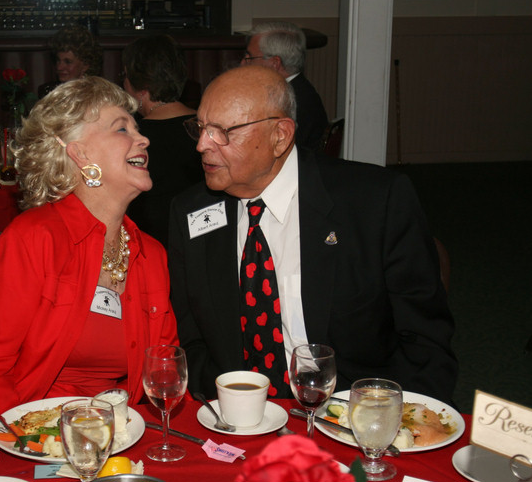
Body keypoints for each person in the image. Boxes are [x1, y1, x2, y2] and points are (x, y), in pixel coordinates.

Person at [0, 76, 179, 435]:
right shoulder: (34, 239)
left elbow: (164, 366)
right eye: (121, 128)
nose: (143, 139)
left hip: (100, 429)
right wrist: (15, 442)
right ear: (80, 153)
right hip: (7, 421)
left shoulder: (150, 254)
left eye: (137, 128)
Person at [168, 65, 457, 404]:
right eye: (201, 128)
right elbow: (189, 338)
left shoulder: (375, 203)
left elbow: (425, 341)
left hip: (352, 408)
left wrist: (388, 419)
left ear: (280, 135)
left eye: (222, 132)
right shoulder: (190, 212)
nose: (202, 145)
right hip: (239, 412)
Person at [121, 34, 203, 247]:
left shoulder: (133, 139)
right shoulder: (208, 129)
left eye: (125, 76)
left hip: (150, 248)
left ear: (141, 88)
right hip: (204, 241)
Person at [243, 21, 329, 150]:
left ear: (275, 63)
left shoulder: (290, 102)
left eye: (249, 58)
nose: (243, 63)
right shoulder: (299, 90)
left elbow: (269, 152)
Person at [37, 25, 103, 99]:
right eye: (58, 60)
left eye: (67, 62)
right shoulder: (48, 92)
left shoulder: (97, 96)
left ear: (85, 65)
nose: (59, 67)